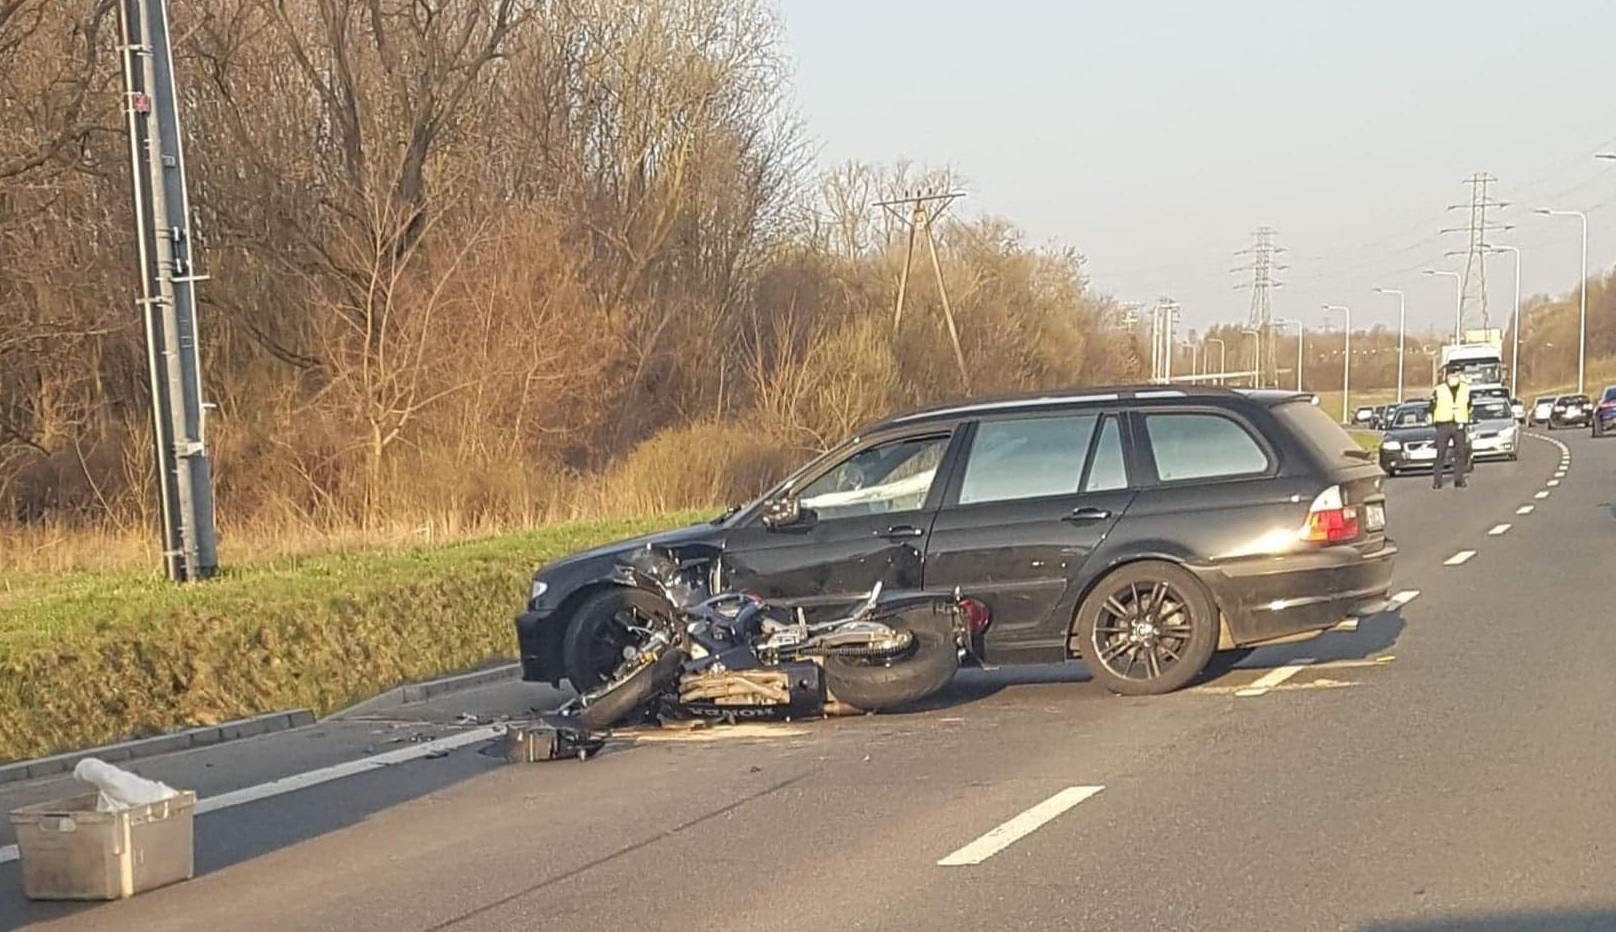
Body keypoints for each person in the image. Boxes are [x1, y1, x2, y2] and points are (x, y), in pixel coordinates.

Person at [1429, 364, 1472, 490]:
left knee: (1460, 453)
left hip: (1459, 424)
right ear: (1447, 376)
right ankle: (1437, 481)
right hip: (1443, 424)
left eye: (1456, 375)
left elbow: (1469, 405)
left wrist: (1466, 419)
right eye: (1452, 375)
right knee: (1441, 453)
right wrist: (1434, 422)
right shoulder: (1439, 390)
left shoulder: (1466, 389)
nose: (1454, 377)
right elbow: (1431, 407)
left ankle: (1459, 480)